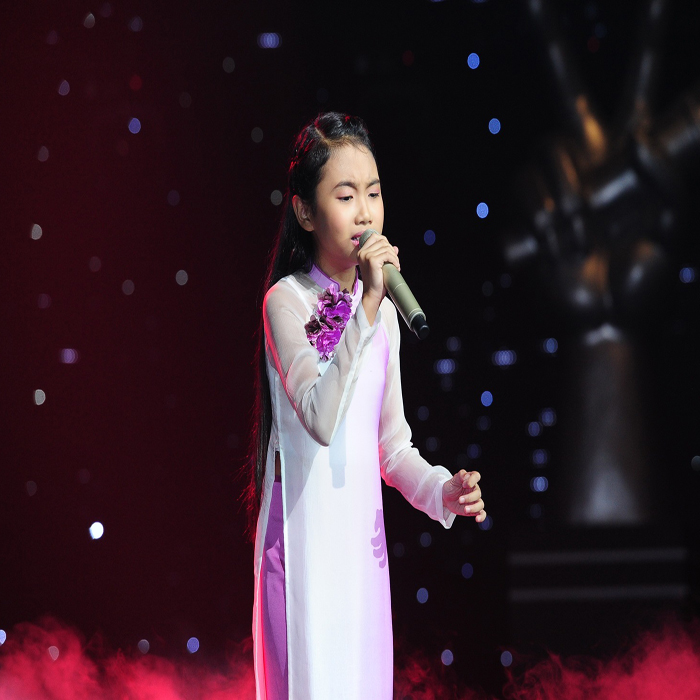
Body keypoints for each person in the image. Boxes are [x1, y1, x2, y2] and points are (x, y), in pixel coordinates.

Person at [245, 112, 486, 700]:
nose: (364, 213)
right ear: (305, 212)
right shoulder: (286, 302)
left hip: (360, 560)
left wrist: (441, 491)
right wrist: (368, 305)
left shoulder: (381, 318)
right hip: (301, 554)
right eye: (345, 195)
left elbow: (392, 449)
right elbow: (320, 418)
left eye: (373, 194)